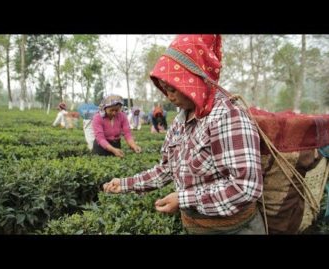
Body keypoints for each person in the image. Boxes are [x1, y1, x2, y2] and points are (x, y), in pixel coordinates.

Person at [103, 34, 265, 234]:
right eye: (165, 90)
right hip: (196, 226)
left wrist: (183, 198)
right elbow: (167, 169)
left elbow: (245, 187)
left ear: (193, 81)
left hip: (234, 229)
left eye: (173, 89)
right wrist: (126, 184)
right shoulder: (181, 119)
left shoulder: (228, 115)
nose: (169, 97)